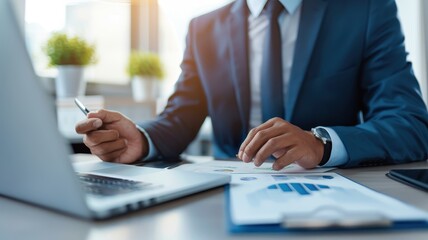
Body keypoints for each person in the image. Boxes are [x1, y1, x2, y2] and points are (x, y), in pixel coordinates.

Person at [76, 0, 428, 170]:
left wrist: (321, 143)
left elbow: (410, 125)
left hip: (330, 191)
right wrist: (140, 137)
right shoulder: (203, 29)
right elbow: (178, 119)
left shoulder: (365, 11)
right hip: (226, 192)